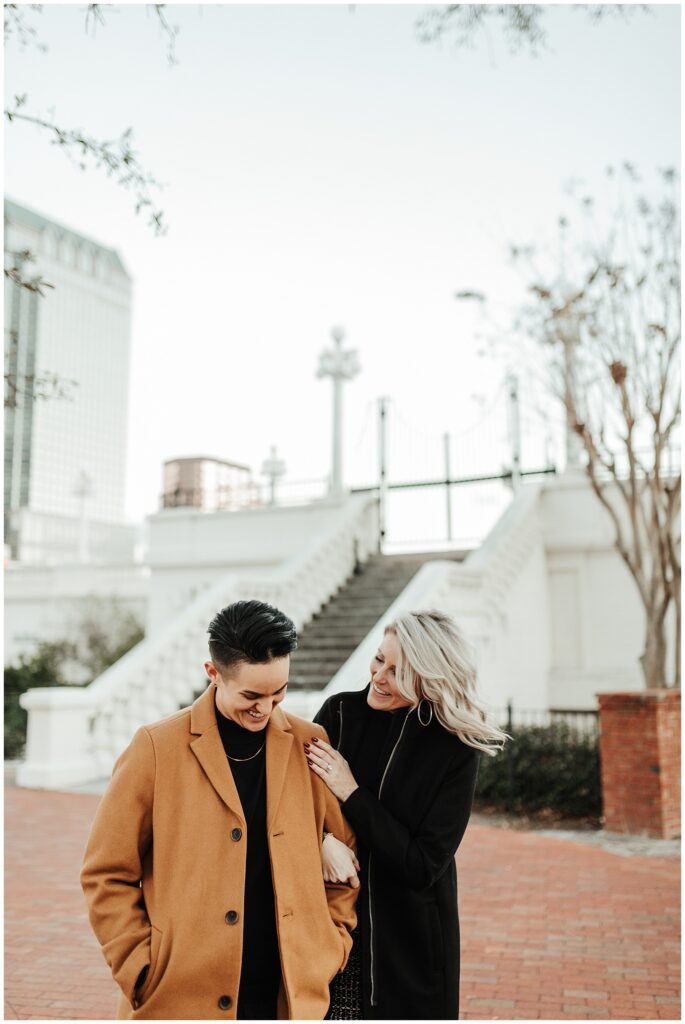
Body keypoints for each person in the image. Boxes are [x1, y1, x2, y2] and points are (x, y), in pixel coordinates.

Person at [81, 599, 358, 1021]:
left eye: (278, 692)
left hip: (288, 996)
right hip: (178, 995)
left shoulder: (310, 743)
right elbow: (106, 871)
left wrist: (329, 947)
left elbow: (344, 862)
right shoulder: (155, 748)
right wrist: (138, 967)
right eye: (251, 694)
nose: (265, 708)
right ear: (213, 673)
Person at [309, 609, 507, 1021]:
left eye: (400, 672)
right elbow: (290, 807)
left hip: (411, 950)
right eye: (380, 659)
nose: (379, 676)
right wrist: (321, 842)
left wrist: (351, 791)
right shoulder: (338, 715)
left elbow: (423, 864)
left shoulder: (455, 748)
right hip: (333, 932)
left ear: (430, 679)